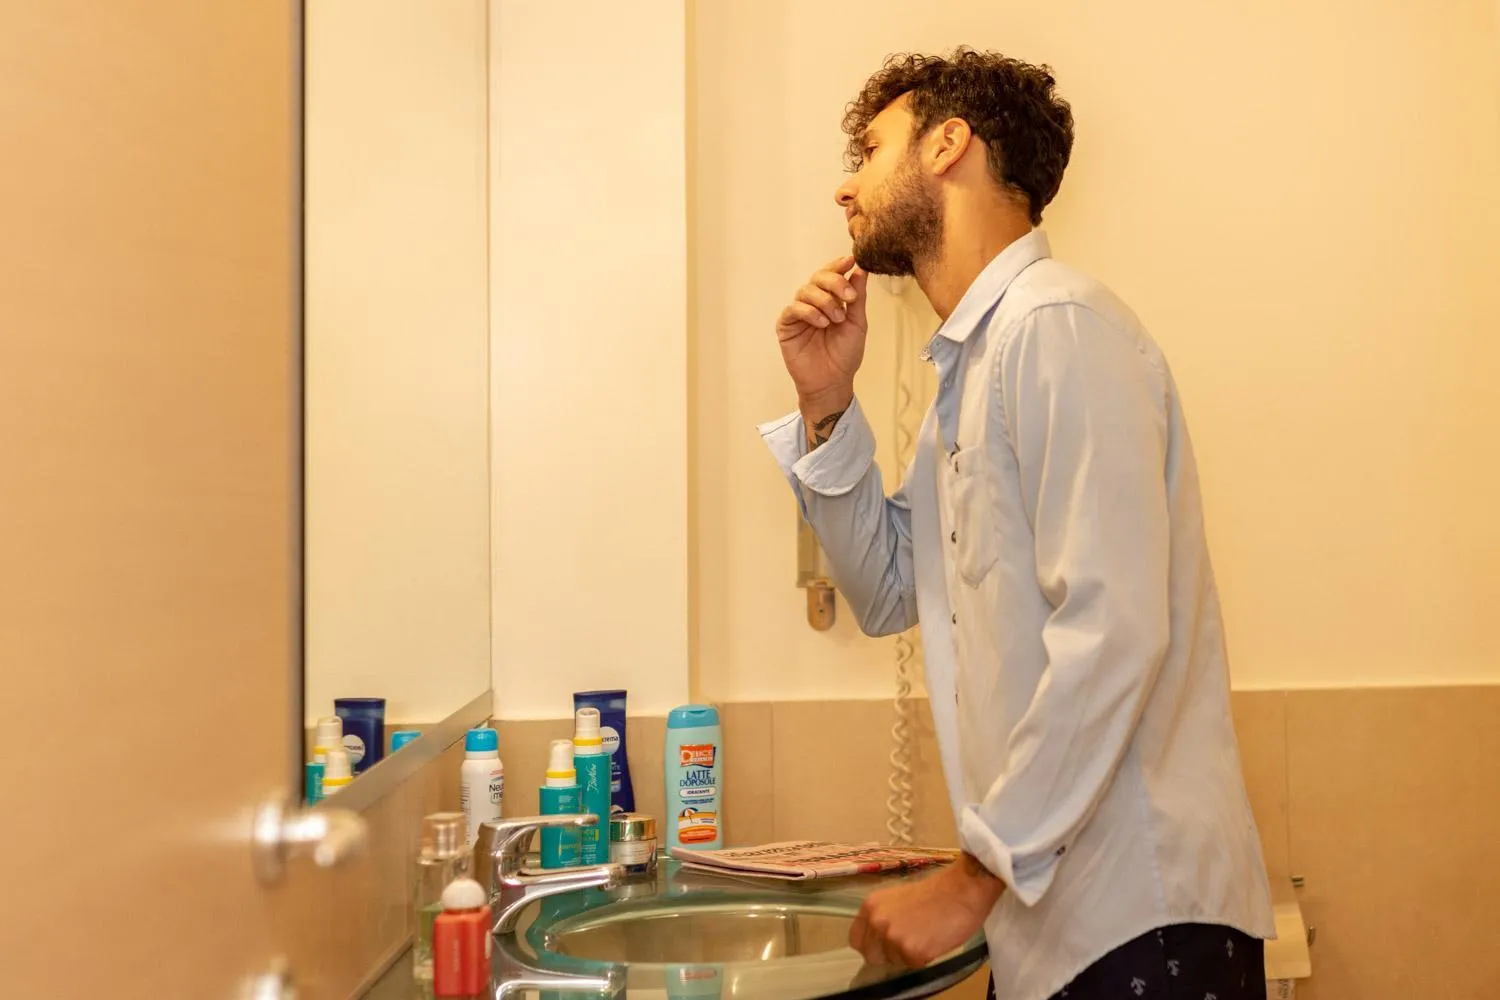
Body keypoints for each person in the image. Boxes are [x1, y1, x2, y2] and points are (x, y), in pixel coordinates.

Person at [759, 49, 1276, 1000]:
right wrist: (828, 405)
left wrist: (971, 879)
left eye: (869, 150)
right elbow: (883, 592)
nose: (846, 184)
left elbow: (1114, 633)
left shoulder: (1058, 328)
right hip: (1048, 931)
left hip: (1138, 922)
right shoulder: (977, 367)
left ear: (949, 143)